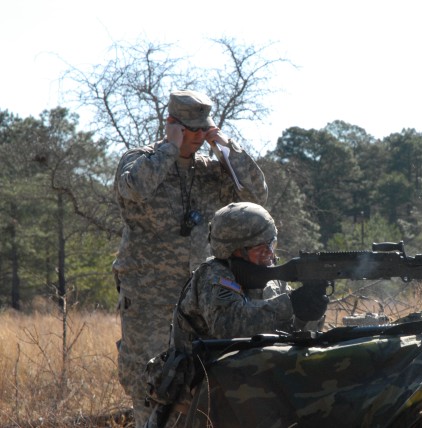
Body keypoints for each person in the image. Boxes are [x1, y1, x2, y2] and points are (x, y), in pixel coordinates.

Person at [113, 89, 268, 427]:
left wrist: (224, 145)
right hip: (150, 300)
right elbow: (133, 190)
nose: (198, 137)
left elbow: (257, 193)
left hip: (200, 298)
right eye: (191, 130)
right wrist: (169, 147)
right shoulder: (139, 161)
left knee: (207, 382)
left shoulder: (212, 170)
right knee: (148, 384)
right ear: (172, 124)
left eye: (204, 130)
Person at [144, 202, 328, 427]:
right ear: (236, 251)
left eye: (272, 245)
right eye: (261, 249)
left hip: (248, 400)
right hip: (196, 406)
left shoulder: (270, 277)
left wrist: (308, 312)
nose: (270, 255)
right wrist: (290, 304)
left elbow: (289, 333)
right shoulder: (212, 277)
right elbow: (230, 325)